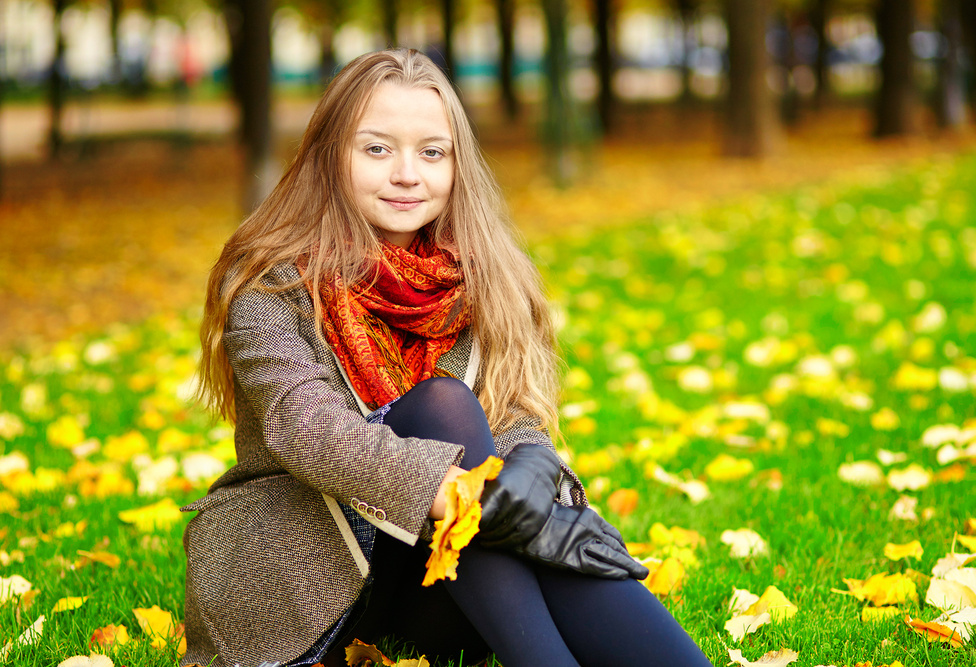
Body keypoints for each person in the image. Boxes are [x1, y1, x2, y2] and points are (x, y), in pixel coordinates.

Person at [183, 48, 714, 667]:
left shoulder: (480, 275)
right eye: (377, 149)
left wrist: (534, 469)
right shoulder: (270, 285)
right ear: (330, 155)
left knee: (488, 459)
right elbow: (306, 428)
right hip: (306, 584)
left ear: (458, 164)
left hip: (441, 586)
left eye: (432, 152)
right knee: (446, 409)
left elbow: (509, 412)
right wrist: (473, 497)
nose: (408, 174)